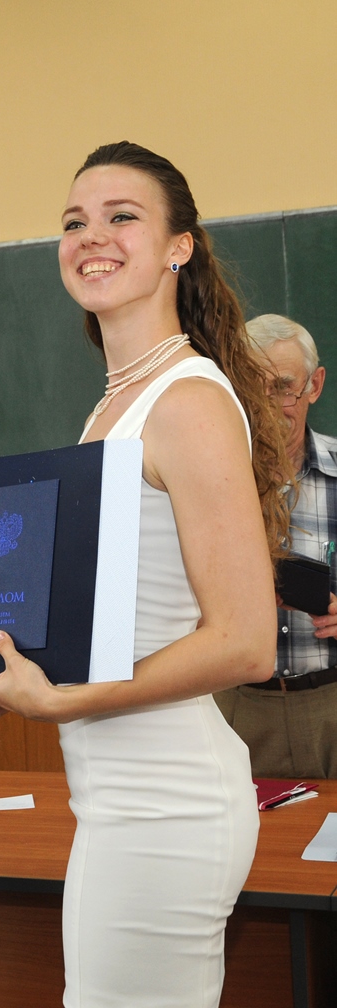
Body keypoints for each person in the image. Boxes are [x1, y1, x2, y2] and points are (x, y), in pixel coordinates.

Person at [0, 143, 292, 1008]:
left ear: (179, 247)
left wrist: (64, 703)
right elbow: (124, 615)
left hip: (167, 805)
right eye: (74, 222)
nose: (91, 236)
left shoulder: (187, 402)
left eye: (121, 216)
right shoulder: (116, 406)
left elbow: (246, 643)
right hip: (121, 801)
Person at [215, 314, 337, 778]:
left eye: (284, 388)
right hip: (236, 707)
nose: (268, 406)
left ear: (314, 385)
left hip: (331, 704)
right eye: (253, 387)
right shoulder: (206, 480)